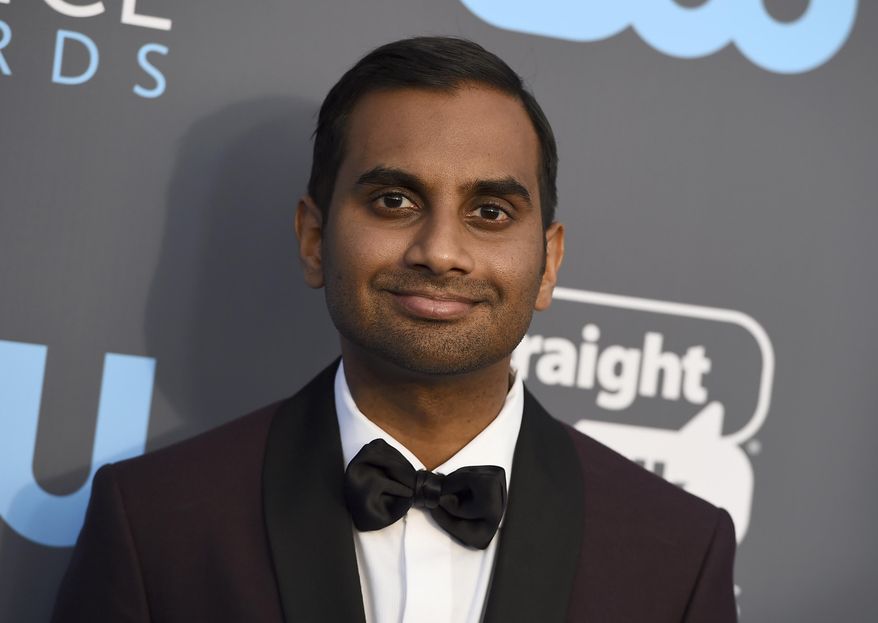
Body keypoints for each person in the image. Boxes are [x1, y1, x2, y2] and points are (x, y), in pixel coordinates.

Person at [52, 37, 737, 622]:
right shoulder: (155, 521)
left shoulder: (677, 552)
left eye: (490, 211)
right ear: (315, 238)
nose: (440, 250)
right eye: (394, 200)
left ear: (549, 261)